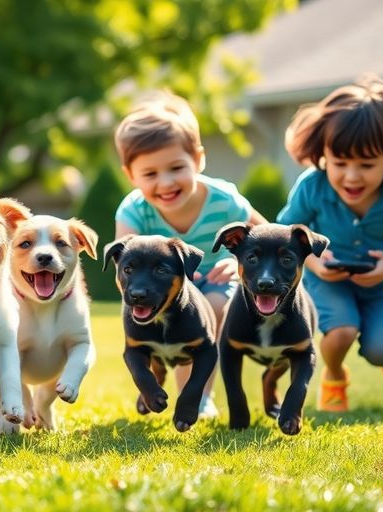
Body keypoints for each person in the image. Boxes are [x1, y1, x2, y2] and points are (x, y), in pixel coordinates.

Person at [278, 75, 383, 412]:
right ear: (323, 154)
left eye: (367, 165)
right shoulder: (312, 186)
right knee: (341, 331)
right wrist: (315, 264)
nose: (352, 176)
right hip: (329, 281)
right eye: (339, 164)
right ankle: (334, 374)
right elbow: (286, 232)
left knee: (379, 350)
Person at [113, 93, 268, 418]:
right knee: (144, 323)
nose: (165, 182)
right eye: (150, 174)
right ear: (131, 175)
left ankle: (197, 397)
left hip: (214, 282)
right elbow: (124, 267)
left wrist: (238, 263)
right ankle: (155, 373)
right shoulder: (133, 210)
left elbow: (266, 238)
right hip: (158, 291)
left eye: (176, 168)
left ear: (198, 160)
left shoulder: (225, 201)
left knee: (210, 310)